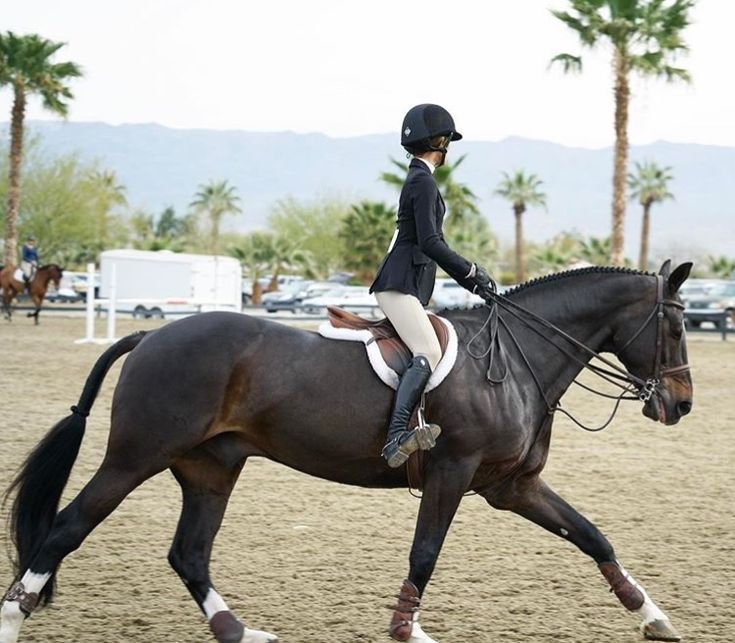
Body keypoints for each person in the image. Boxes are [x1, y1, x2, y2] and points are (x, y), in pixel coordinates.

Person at [370, 104, 493, 468]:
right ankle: (395, 438)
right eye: (447, 141)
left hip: (406, 283)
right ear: (440, 142)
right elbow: (430, 242)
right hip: (398, 284)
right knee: (428, 349)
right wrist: (470, 273)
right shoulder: (423, 182)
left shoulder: (418, 180)